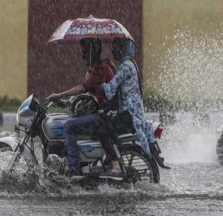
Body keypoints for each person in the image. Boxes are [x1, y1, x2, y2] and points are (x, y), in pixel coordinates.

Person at [99, 37, 169, 179]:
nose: (114, 51)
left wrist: (101, 84)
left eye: (117, 47)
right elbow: (120, 80)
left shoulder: (125, 66)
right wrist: (112, 66)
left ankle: (115, 166)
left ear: (124, 49)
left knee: (103, 130)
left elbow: (110, 90)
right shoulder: (131, 64)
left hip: (128, 115)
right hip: (133, 114)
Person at [47, 38, 114, 177]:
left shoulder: (101, 69)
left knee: (69, 127)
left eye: (84, 50)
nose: (82, 54)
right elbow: (86, 97)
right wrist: (65, 102)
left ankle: (74, 170)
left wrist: (60, 94)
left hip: (104, 116)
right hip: (101, 113)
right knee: (70, 121)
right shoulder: (95, 69)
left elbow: (83, 88)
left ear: (92, 51)